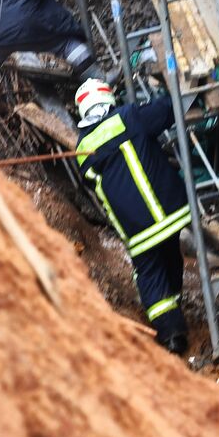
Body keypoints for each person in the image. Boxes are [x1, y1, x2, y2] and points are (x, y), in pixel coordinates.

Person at [73, 78, 190, 355]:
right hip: (170, 209)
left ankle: (171, 332)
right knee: (171, 255)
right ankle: (174, 306)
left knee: (149, 271)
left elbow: (92, 183)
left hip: (135, 226)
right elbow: (166, 111)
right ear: (108, 100)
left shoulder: (81, 150)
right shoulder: (128, 117)